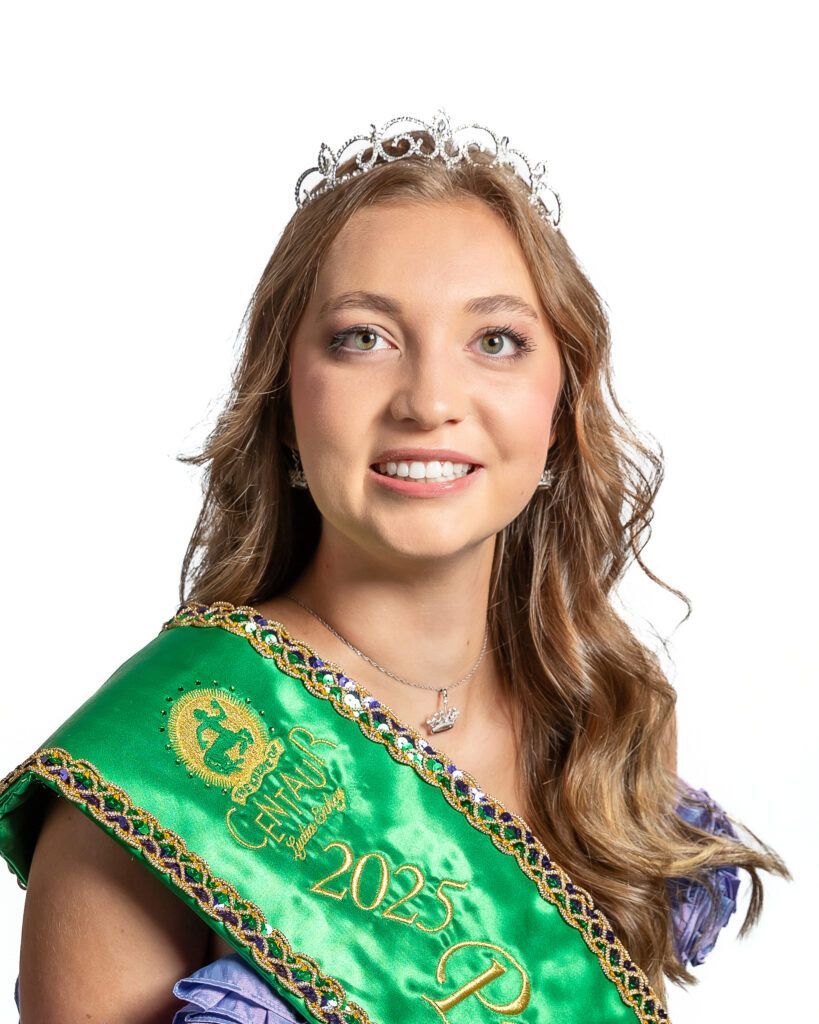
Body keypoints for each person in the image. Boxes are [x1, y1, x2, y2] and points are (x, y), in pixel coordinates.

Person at [0, 109, 790, 1024]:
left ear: (559, 405)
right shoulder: (156, 770)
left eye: (495, 340)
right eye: (363, 337)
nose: (428, 401)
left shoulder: (599, 719)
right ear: (282, 399)